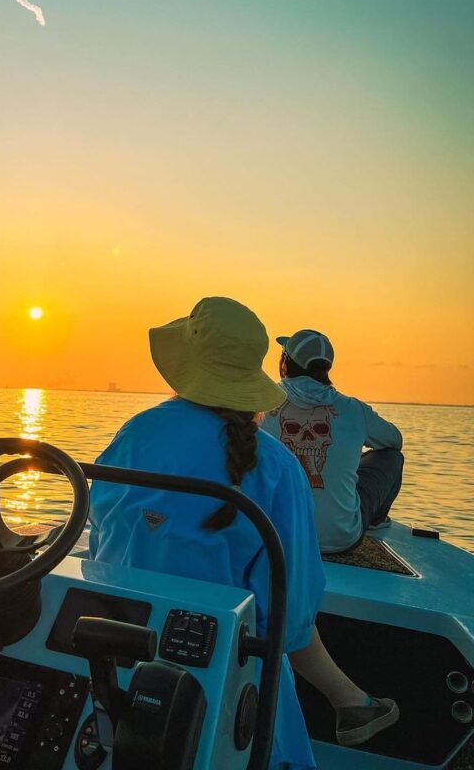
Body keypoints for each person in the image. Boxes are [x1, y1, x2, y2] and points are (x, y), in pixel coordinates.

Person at [88, 297, 398, 769]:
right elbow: (289, 621)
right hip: (225, 681)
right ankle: (351, 702)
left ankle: (350, 702)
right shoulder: (276, 467)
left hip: (116, 648)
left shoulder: (134, 433)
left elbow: (100, 533)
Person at [260, 329, 404, 554]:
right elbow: (394, 440)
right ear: (326, 369)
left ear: (284, 363)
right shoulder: (354, 410)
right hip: (341, 539)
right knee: (392, 457)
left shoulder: (260, 404)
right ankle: (375, 521)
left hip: (272, 535)